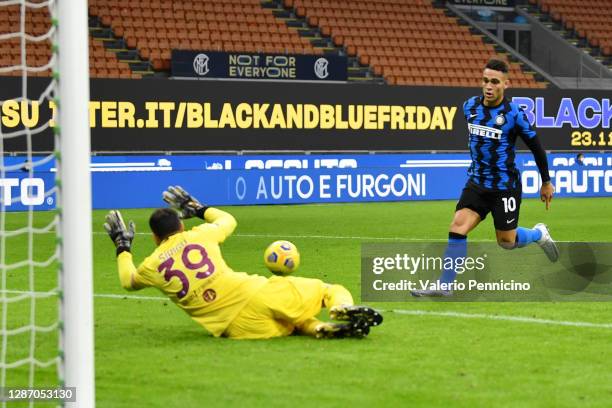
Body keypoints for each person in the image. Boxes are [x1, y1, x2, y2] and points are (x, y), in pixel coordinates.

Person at [104, 185, 382, 339]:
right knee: (325, 290)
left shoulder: (152, 266)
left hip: (234, 329)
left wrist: (123, 246)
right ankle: (342, 308)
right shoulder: (200, 235)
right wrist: (199, 209)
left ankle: (323, 329)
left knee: (294, 323)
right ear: (180, 224)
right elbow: (228, 220)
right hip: (253, 295)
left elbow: (128, 281)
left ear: (154, 237)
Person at [412, 59, 558, 297]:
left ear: (506, 84)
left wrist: (546, 181)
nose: (488, 86)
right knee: (457, 227)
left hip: (504, 187)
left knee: (506, 242)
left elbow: (536, 147)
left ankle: (538, 234)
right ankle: (444, 285)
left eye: (494, 82)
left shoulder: (514, 115)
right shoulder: (469, 106)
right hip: (477, 183)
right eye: (485, 80)